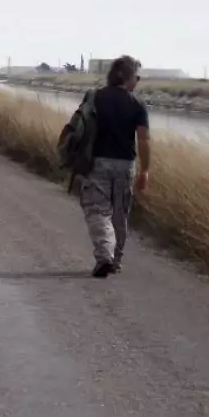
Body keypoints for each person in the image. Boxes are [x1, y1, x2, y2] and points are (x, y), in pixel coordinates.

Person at [82, 55, 150, 278]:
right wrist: (145, 170)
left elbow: (81, 127)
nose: (138, 81)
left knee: (97, 211)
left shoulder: (95, 97)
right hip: (126, 165)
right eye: (136, 76)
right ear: (125, 75)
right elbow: (143, 140)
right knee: (120, 214)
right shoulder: (137, 104)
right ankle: (116, 260)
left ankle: (105, 256)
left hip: (98, 162)